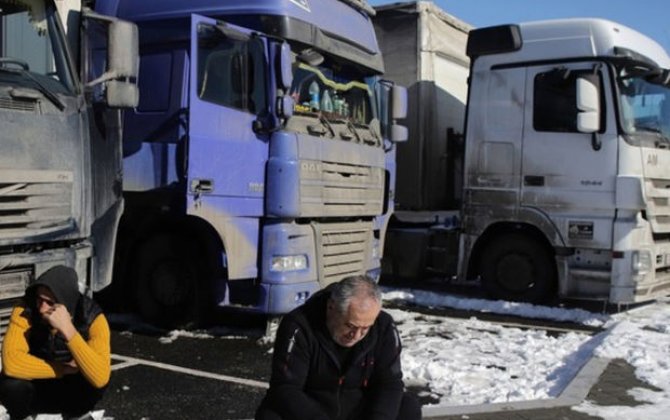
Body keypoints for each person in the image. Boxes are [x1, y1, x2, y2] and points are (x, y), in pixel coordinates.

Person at [256, 275, 421, 420]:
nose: (356, 335)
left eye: (365, 328)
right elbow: (286, 388)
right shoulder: (298, 326)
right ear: (331, 307)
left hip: (359, 408)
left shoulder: (383, 326)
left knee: (408, 406)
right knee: (271, 414)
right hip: (312, 409)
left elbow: (390, 383)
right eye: (350, 326)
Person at [0, 266, 111, 419]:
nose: (41, 308)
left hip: (70, 389)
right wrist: (63, 369)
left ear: (66, 303)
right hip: (37, 383)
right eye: (39, 300)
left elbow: (101, 377)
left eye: (50, 302)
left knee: (92, 381)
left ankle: (78, 414)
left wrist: (68, 330)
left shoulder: (92, 317)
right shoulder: (25, 309)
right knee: (11, 385)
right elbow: (11, 363)